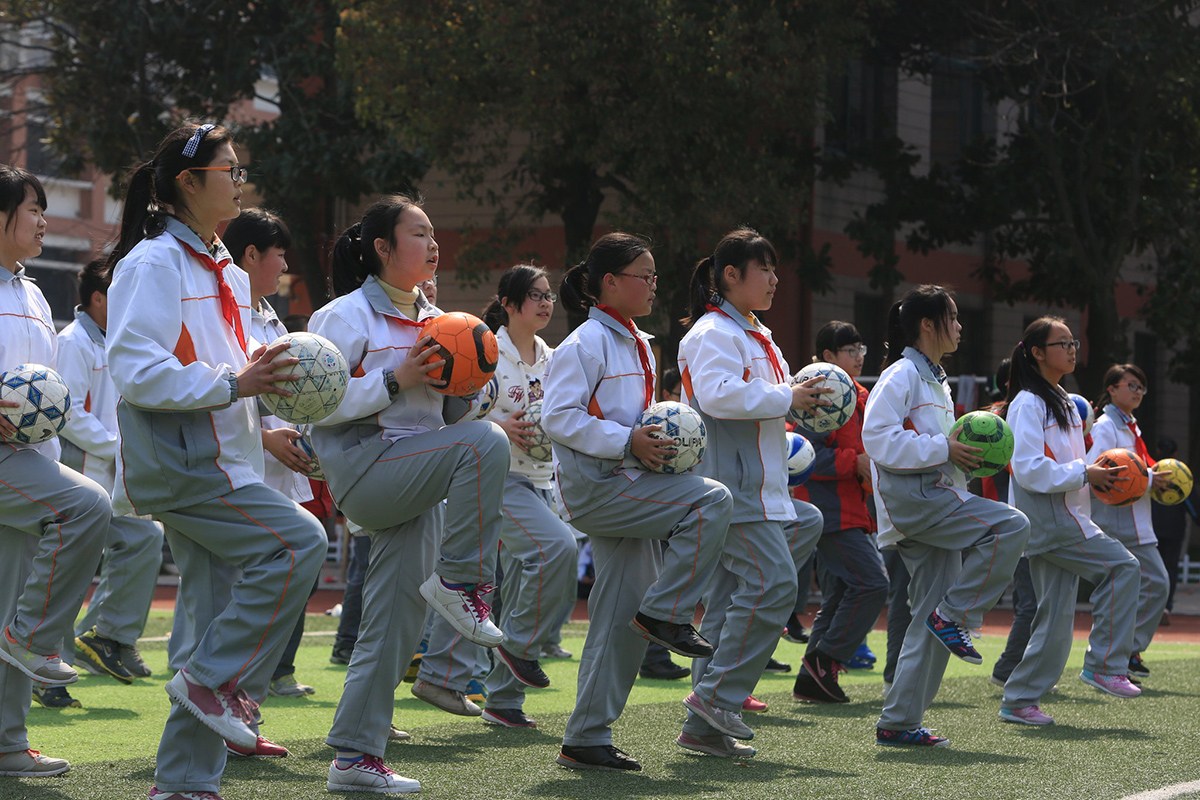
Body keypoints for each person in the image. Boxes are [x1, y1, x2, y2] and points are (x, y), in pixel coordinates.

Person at [104, 123, 328, 800]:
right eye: (227, 170)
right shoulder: (151, 264)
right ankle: (213, 684)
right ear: (187, 183)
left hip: (224, 459)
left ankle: (183, 784)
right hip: (183, 463)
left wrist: (254, 378)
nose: (239, 179)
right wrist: (236, 383)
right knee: (297, 543)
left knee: (207, 620)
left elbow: (223, 364)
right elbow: (137, 371)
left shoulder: (222, 266)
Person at [311, 194, 509, 794]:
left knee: (394, 623)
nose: (433, 244)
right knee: (487, 444)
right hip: (365, 468)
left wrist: (472, 378)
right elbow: (316, 402)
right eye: (419, 234)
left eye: (432, 234)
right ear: (382, 248)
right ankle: (463, 581)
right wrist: (398, 378)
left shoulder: (435, 317)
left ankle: (354, 756)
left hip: (417, 473)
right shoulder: (342, 317)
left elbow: (446, 413)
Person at [543, 232, 731, 772]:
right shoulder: (584, 343)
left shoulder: (639, 342)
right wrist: (629, 441)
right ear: (609, 283)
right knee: (711, 501)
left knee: (619, 620)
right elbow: (558, 417)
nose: (653, 285)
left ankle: (585, 738)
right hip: (600, 488)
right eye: (643, 276)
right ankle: (668, 613)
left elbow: (637, 419)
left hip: (627, 485)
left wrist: (661, 442)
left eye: (654, 276)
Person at [675, 228, 826, 756]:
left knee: (742, 596)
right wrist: (788, 395)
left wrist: (797, 402)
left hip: (758, 486)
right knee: (773, 586)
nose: (775, 279)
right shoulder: (714, 332)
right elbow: (718, 397)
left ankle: (704, 727)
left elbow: (766, 401)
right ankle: (715, 696)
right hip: (730, 487)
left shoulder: (756, 333)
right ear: (730, 276)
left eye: (775, 269)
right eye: (765, 269)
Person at [863, 284, 1029, 748]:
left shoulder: (935, 380)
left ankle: (898, 721)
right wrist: (946, 449)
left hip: (931, 499)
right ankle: (956, 613)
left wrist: (959, 458)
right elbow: (877, 438)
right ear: (927, 325)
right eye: (952, 318)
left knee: (927, 621)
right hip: (918, 500)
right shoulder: (901, 375)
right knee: (1011, 525)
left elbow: (936, 446)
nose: (959, 326)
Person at [0, 165, 110, 779]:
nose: (43, 220)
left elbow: (48, 390)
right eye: (32, 209)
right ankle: (36, 639)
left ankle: (7, 744)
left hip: (30, 461)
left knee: (9, 604)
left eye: (44, 209)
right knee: (87, 506)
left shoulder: (35, 293)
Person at [998, 318, 1141, 726]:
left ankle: (1019, 700)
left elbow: (1066, 464)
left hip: (1064, 514)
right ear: (1037, 352)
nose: (1072, 349)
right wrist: (1085, 473)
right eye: (1062, 343)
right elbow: (1026, 469)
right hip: (1051, 517)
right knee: (1123, 566)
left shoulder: (1061, 398)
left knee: (1055, 618)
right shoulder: (1028, 401)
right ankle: (1105, 665)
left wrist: (1090, 476)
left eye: (1074, 341)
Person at [470, 264, 579, 728]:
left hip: (540, 480)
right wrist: (499, 426)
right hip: (494, 478)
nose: (545, 302)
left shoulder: (552, 357)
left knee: (517, 586)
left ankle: (503, 702)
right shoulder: (485, 350)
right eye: (534, 295)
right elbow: (449, 415)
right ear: (509, 303)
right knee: (556, 548)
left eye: (549, 294)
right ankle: (518, 647)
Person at [55, 259, 163, 705]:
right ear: (99, 298)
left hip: (114, 475)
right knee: (66, 570)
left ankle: (107, 634)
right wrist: (117, 447)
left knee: (145, 537)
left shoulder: (118, 342)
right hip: (79, 473)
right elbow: (66, 412)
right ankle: (51, 675)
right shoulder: (72, 343)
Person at [791, 321, 888, 704]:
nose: (859, 354)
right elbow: (801, 454)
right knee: (872, 583)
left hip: (853, 508)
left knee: (842, 592)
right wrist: (856, 462)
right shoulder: (818, 391)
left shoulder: (859, 393)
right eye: (850, 349)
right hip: (829, 509)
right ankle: (825, 659)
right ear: (827, 356)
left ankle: (813, 678)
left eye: (861, 346)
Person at [1087, 364, 1171, 680]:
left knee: (1144, 586)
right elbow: (1101, 468)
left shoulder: (1130, 426)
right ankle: (1118, 656)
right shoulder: (1106, 425)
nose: (1137, 392)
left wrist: (1154, 479)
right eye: (1131, 385)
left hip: (1135, 520)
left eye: (1141, 387)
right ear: (1111, 388)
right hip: (1116, 520)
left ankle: (1123, 654)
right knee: (1146, 585)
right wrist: (1150, 478)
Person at [637, 366, 692, 682]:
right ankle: (654, 657)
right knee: (654, 577)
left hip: (673, 502)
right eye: (675, 395)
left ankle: (657, 655)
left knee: (662, 574)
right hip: (654, 501)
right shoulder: (658, 421)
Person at [1150, 437, 1197, 625]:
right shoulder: (1181, 475)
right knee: (1169, 569)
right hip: (1174, 531)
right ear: (1176, 453)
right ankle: (1166, 606)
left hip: (1151, 529)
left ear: (1158, 452)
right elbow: (1192, 505)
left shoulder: (1153, 473)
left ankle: (1151, 607)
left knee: (1150, 570)